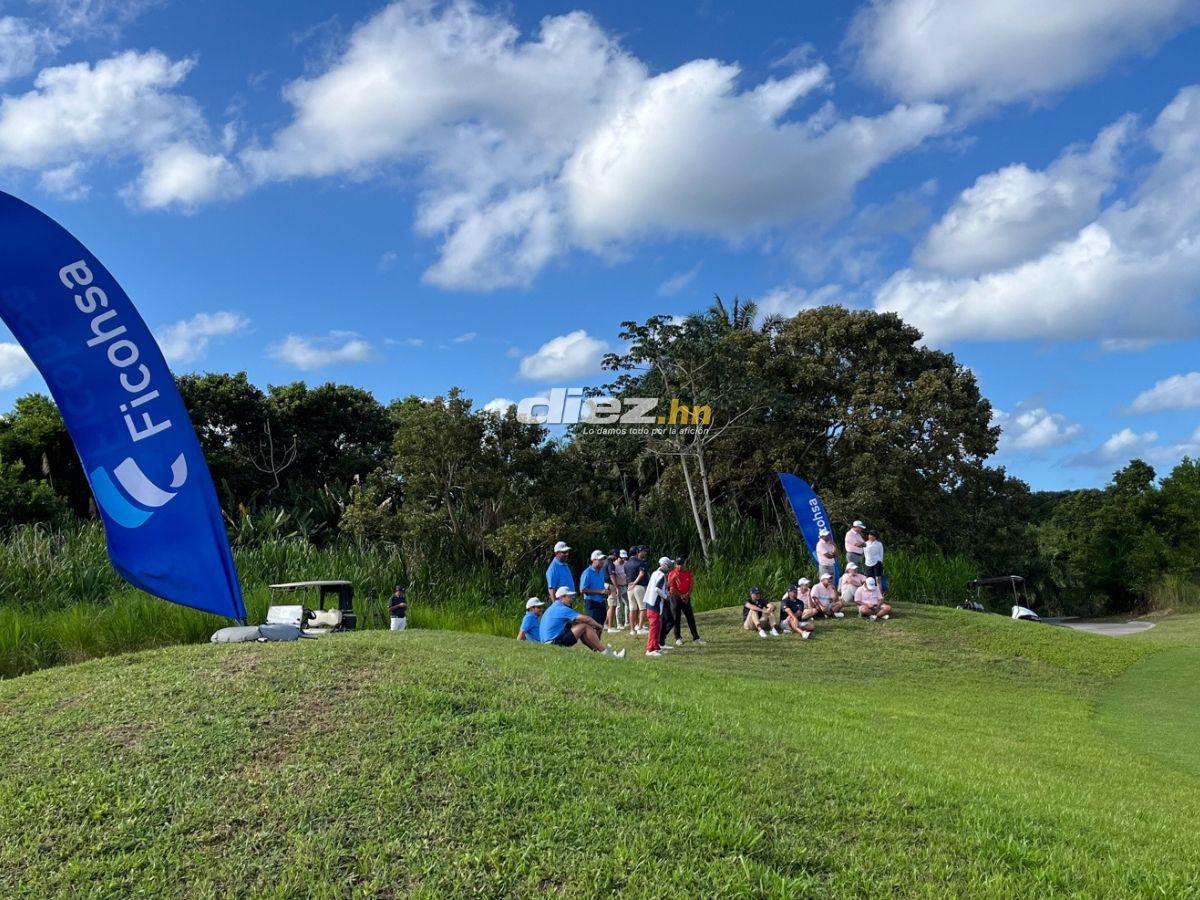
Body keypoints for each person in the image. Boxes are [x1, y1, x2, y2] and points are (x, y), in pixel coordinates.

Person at [539, 586, 625, 656]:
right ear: (561, 598)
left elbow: (574, 622)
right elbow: (586, 619)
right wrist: (599, 626)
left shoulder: (554, 607)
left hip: (548, 643)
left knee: (581, 627)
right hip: (553, 643)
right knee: (584, 626)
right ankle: (606, 653)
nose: (572, 599)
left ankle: (600, 652)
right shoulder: (562, 608)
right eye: (569, 597)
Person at [667, 557, 704, 645]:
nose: (679, 566)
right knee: (676, 618)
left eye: (681, 564)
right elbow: (672, 588)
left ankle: (696, 637)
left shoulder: (687, 573)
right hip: (676, 598)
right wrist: (681, 596)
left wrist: (687, 595)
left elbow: (691, 584)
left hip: (686, 597)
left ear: (684, 564)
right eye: (678, 564)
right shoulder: (672, 573)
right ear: (675, 565)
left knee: (690, 617)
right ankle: (678, 637)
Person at [644, 556, 674, 656]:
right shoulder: (661, 575)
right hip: (654, 604)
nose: (670, 568)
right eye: (669, 566)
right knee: (654, 627)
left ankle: (656, 646)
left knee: (657, 626)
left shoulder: (655, 573)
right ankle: (650, 650)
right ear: (664, 565)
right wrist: (666, 596)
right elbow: (657, 589)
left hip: (651, 603)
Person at [579, 550, 610, 627]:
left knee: (600, 626)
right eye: (600, 560)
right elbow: (582, 590)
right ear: (593, 560)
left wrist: (605, 592)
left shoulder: (601, 572)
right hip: (591, 603)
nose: (602, 561)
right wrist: (600, 591)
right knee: (594, 627)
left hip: (601, 602)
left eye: (603, 559)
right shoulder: (587, 573)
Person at [625, 546, 649, 635]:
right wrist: (635, 583)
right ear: (637, 552)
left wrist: (631, 584)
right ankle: (640, 628)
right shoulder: (640, 562)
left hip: (629, 587)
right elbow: (641, 574)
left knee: (632, 609)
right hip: (639, 586)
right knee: (643, 608)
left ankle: (632, 630)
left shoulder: (626, 563)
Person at [545, 540, 575, 605]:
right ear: (557, 553)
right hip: (560, 602)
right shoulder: (553, 568)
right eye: (564, 552)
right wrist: (556, 606)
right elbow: (551, 589)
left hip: (567, 601)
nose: (567, 554)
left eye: (567, 552)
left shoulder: (564, 564)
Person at [612, 549, 629, 631]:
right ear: (618, 557)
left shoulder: (626, 564)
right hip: (618, 587)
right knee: (619, 605)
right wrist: (616, 588)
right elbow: (613, 577)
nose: (623, 559)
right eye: (622, 558)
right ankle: (619, 624)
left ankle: (627, 622)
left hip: (626, 586)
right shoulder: (614, 565)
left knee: (628, 604)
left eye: (625, 558)